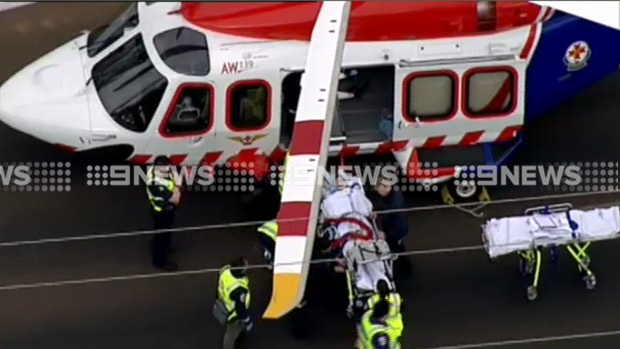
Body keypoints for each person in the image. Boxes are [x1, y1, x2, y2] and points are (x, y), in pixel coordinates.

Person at [146, 155, 181, 271]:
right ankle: (159, 261)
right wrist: (177, 188)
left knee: (167, 231)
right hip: (160, 212)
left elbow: (176, 175)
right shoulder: (155, 184)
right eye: (165, 170)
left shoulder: (163, 169)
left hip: (168, 209)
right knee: (160, 236)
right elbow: (176, 198)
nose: (168, 171)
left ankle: (167, 246)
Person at [373, 176, 412, 277]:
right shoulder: (392, 194)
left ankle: (395, 272)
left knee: (393, 248)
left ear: (385, 187)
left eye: (379, 188)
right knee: (399, 246)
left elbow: (399, 224)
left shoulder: (395, 204)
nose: (377, 191)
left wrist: (386, 235)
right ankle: (405, 263)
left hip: (396, 231)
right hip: (394, 228)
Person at [217, 257, 253, 349]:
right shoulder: (239, 289)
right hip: (233, 313)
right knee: (231, 333)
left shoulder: (225, 271)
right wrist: (247, 320)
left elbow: (219, 286)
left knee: (235, 329)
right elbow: (240, 308)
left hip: (224, 304)